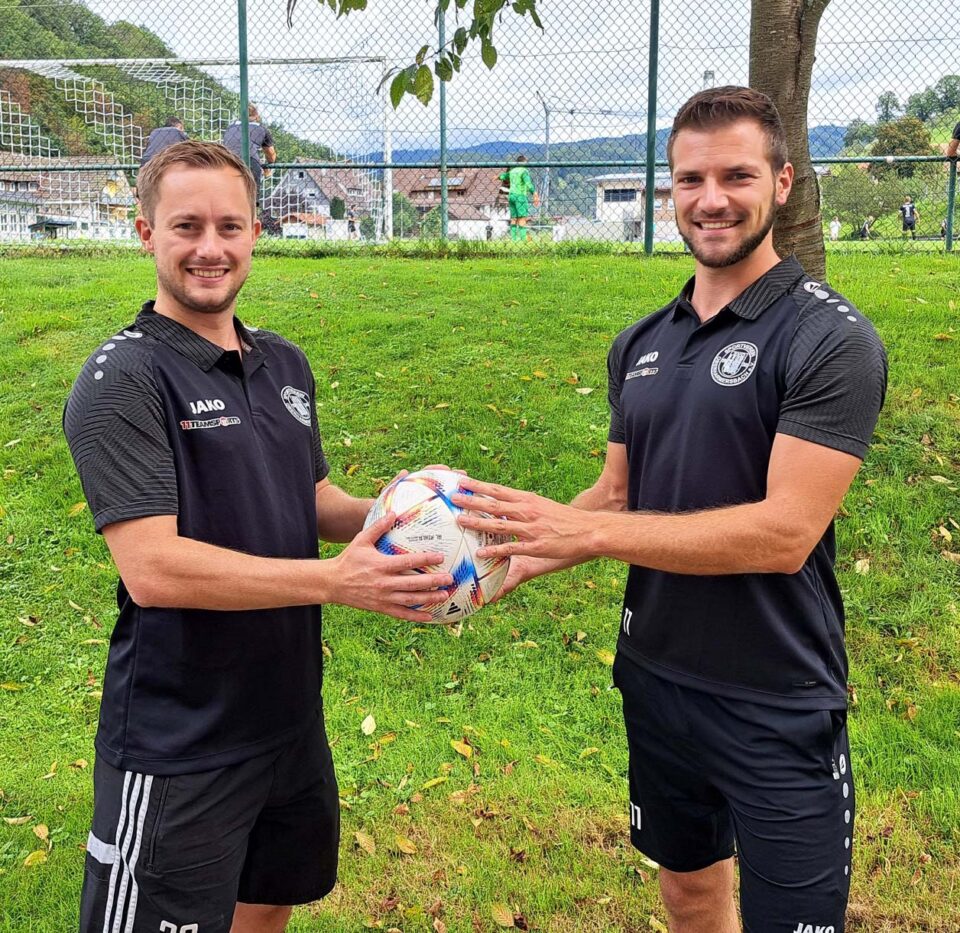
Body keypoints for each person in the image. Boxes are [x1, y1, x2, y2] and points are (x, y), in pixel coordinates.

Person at [454, 87, 887, 933]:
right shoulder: (642, 343)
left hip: (776, 695)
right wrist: (489, 566)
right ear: (671, 190)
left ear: (783, 182)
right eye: (691, 179)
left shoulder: (830, 339)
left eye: (736, 176)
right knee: (689, 894)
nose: (711, 199)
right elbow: (614, 495)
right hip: (655, 679)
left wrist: (589, 531)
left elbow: (785, 532)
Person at [63, 141, 453, 933]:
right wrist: (334, 581)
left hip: (287, 719)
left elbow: (314, 501)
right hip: (181, 738)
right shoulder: (123, 378)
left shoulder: (284, 364)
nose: (210, 247)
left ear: (255, 233)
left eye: (229, 226)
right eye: (187, 226)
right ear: (146, 233)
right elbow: (154, 569)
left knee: (269, 903)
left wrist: (417, 512)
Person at [223, 103, 277, 203]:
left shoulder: (231, 127)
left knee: (228, 199)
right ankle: (252, 209)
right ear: (257, 116)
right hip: (250, 160)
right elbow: (271, 155)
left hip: (227, 160)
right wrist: (268, 166)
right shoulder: (261, 128)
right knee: (251, 200)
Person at [499, 154, 539, 241]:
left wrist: (498, 177)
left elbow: (504, 176)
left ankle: (513, 239)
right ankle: (523, 239)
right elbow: (528, 183)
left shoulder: (513, 171)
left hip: (511, 196)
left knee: (513, 218)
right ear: (524, 162)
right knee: (522, 218)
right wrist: (534, 192)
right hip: (520, 196)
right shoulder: (524, 171)